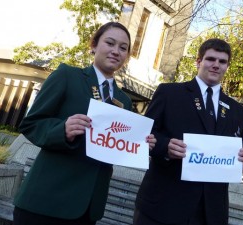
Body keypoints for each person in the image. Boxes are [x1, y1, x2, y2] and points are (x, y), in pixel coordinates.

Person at [13, 22, 156, 225]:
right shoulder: (67, 75)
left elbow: (114, 147)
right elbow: (31, 123)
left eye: (123, 48)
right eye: (110, 43)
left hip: (87, 209)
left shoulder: (123, 100)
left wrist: (140, 144)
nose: (116, 51)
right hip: (46, 201)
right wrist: (62, 130)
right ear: (94, 45)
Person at [133, 38, 243, 225]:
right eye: (210, 59)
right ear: (198, 61)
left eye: (222, 61)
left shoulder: (238, 110)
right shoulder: (169, 93)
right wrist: (165, 147)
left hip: (209, 212)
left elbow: (242, 154)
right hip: (163, 204)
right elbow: (143, 134)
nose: (215, 65)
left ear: (227, 66)